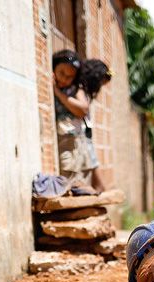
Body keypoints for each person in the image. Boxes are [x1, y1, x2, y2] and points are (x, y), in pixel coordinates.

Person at [52, 51, 112, 192]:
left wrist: (56, 91)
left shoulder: (73, 89)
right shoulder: (76, 89)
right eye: (62, 73)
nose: (65, 79)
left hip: (78, 139)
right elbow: (82, 109)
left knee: (79, 182)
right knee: (72, 182)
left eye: (69, 76)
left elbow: (82, 109)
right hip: (71, 139)